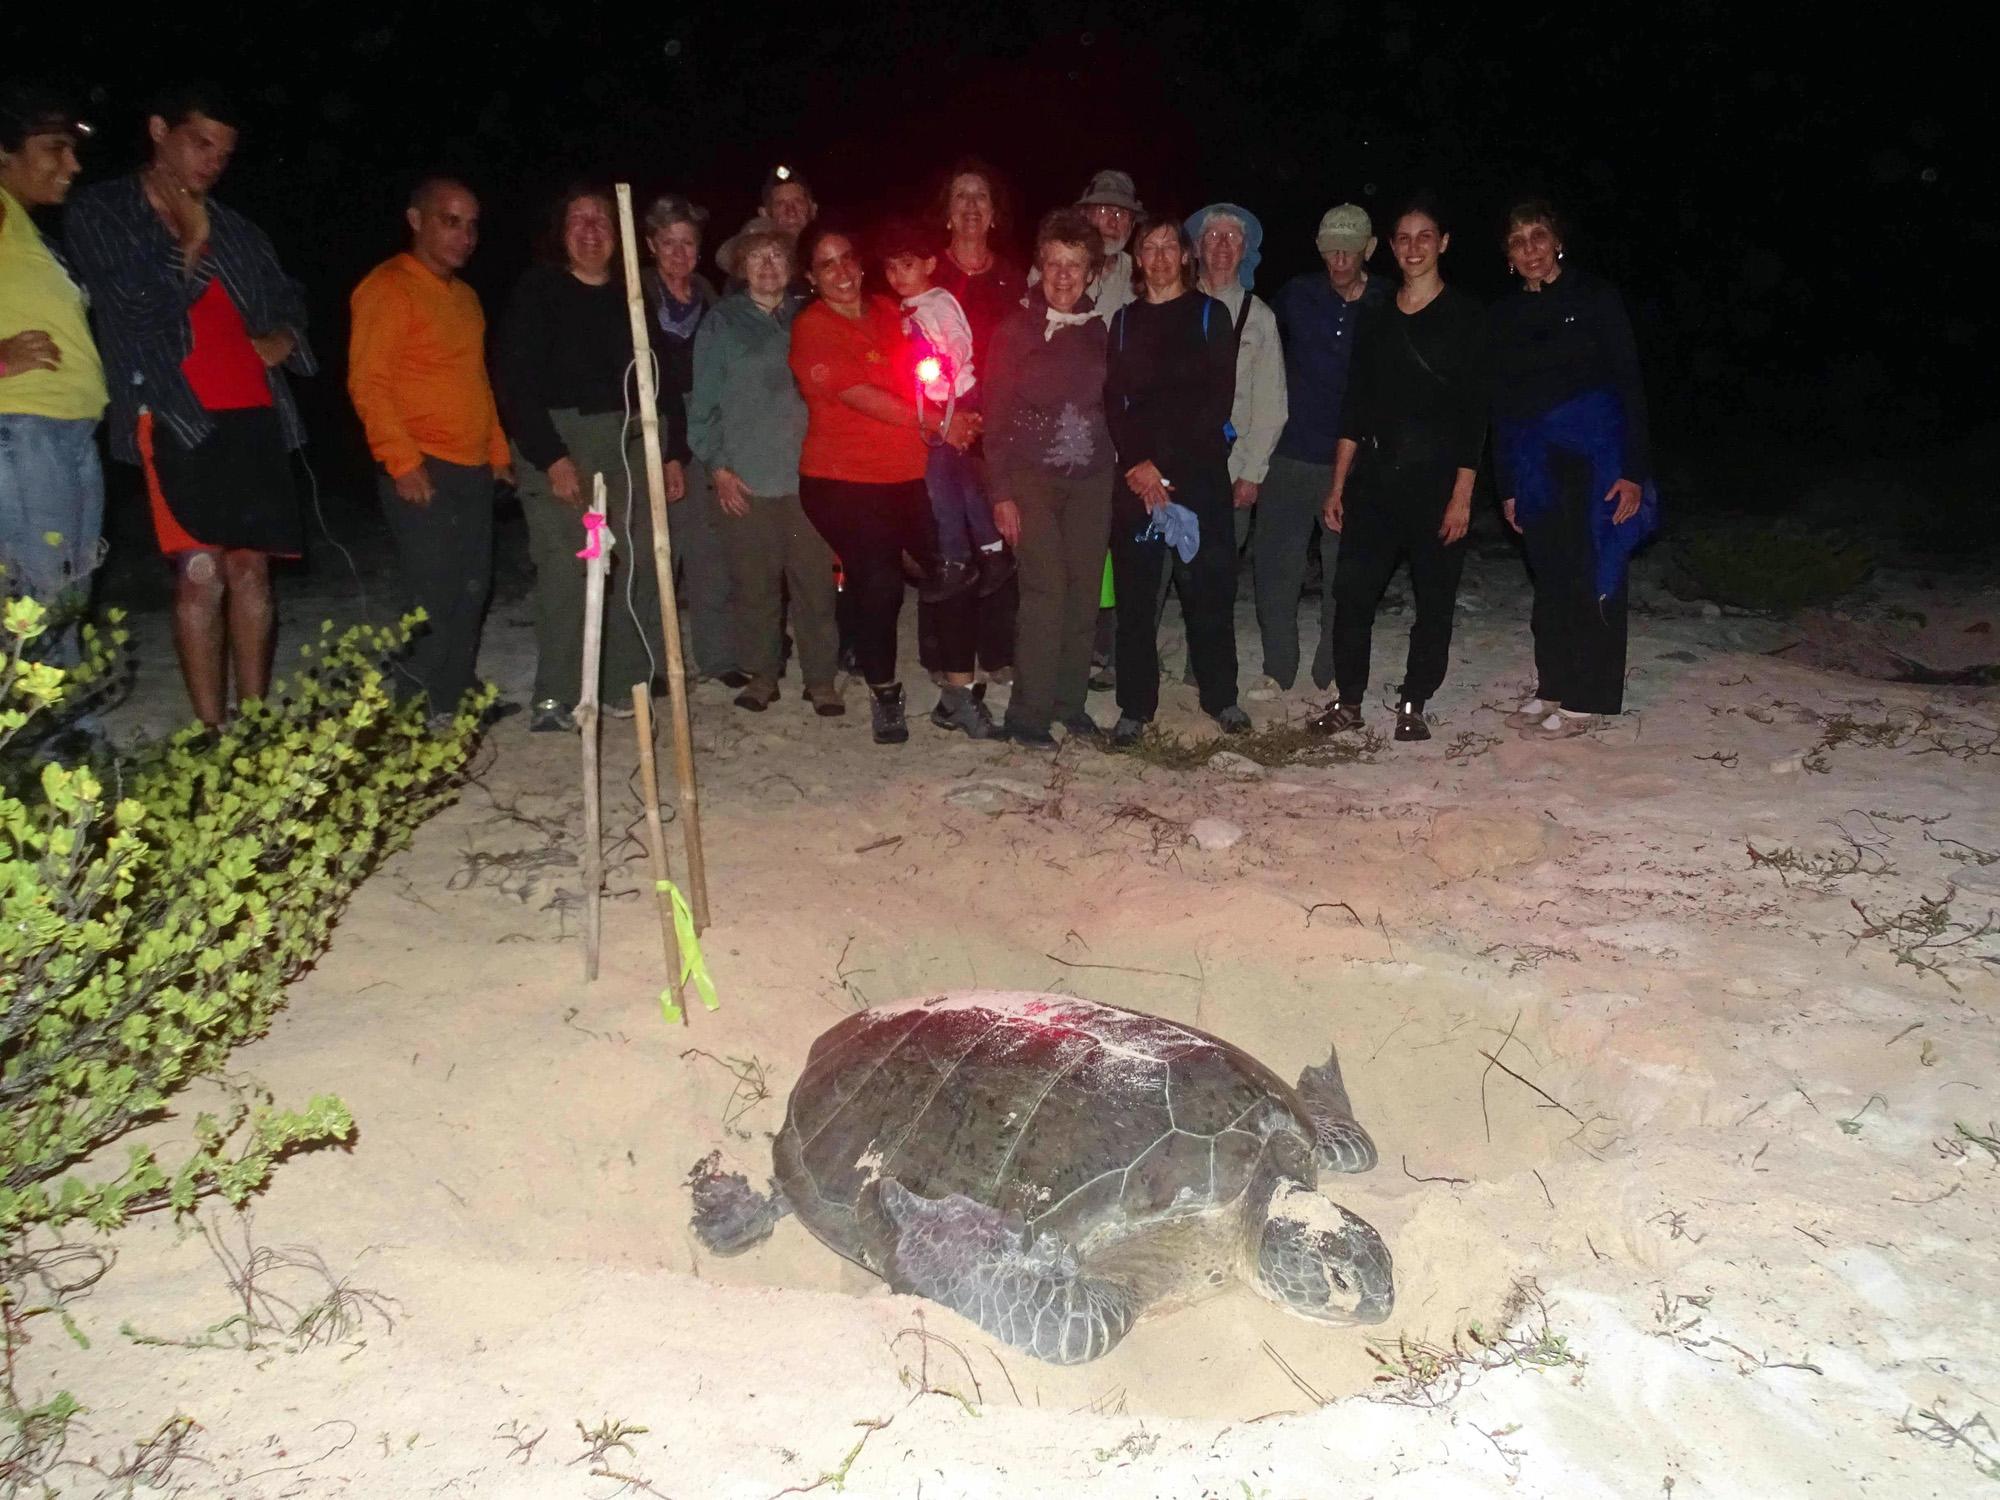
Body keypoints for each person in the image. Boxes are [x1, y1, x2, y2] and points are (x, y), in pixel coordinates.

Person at [67, 82, 316, 729]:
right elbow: (134, 310)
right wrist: (190, 245)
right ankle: (211, 730)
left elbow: (288, 293)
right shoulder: (103, 212)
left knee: (251, 568)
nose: (212, 161)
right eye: (200, 142)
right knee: (201, 569)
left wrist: (284, 335)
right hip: (176, 411)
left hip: (254, 410)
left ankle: (254, 723)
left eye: (224, 152)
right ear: (158, 130)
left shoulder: (236, 228)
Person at [787, 222, 986, 744]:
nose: (842, 270)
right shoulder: (813, 327)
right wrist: (939, 422)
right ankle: (885, 692)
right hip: (843, 481)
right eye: (826, 263)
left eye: (847, 256)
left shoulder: (890, 311)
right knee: (878, 581)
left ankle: (959, 694)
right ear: (810, 275)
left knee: (954, 567)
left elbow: (934, 366)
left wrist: (961, 412)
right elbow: (857, 393)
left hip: (913, 475)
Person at [1311, 194, 1486, 744]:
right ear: (1390, 247)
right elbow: (1354, 405)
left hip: (1436, 481)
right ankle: (1350, 700)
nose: (1414, 247)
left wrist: (1462, 497)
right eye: (1404, 238)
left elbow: (1474, 415)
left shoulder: (1466, 316)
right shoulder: (1376, 313)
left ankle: (1414, 701)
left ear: (1444, 243)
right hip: (1376, 478)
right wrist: (1338, 482)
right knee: (1353, 593)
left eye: (1425, 236)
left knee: (1433, 600)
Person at [494, 185, 665, 732]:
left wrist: (668, 452)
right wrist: (551, 457)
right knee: (569, 569)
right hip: (559, 440)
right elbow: (515, 382)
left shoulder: (632, 294)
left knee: (628, 564)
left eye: (602, 221)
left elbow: (657, 376)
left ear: (618, 237)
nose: (591, 230)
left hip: (625, 440)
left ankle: (622, 684)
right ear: (560, 232)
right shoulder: (538, 289)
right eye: (579, 220)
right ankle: (556, 695)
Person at [1488, 199, 1657, 739]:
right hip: (1536, 462)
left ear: (1558, 240)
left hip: (1597, 457)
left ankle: (1592, 694)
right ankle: (1554, 684)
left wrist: (1634, 469)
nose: (1530, 250)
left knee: (1593, 571)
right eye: (1518, 242)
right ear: (1508, 256)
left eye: (1539, 236)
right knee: (1551, 578)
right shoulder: (1507, 315)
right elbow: (1504, 404)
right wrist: (1507, 486)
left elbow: (1630, 384)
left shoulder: (1596, 297)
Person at [346, 177, 511, 725]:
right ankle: (412, 710)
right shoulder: (388, 287)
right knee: (431, 592)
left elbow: (475, 380)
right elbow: (368, 382)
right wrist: (402, 461)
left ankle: (454, 695)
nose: (465, 236)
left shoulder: (465, 298)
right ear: (416, 220)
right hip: (423, 464)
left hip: (471, 467)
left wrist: (498, 453)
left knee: (472, 587)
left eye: (471, 224)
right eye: (450, 220)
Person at [687, 216, 841, 716]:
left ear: (792, 264)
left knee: (815, 585)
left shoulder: (814, 315)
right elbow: (703, 403)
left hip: (810, 479)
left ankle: (821, 679)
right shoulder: (722, 322)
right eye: (757, 256)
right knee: (754, 588)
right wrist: (719, 468)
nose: (768, 264)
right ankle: (762, 674)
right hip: (747, 479)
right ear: (741, 266)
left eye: (776, 254)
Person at [1104, 214, 1247, 745]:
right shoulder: (1122, 322)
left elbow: (1216, 401)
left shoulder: (1212, 316)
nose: (1161, 256)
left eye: (1170, 246)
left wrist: (1161, 466)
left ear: (1186, 256)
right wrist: (1137, 465)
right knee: (1138, 600)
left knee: (1208, 592)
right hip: (1137, 483)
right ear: (1138, 260)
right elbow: (1114, 401)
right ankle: (1135, 708)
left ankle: (1221, 698)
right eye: (1150, 248)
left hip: (1197, 476)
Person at [984, 209, 1113, 747]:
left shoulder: (1102, 330)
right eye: (1055, 264)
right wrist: (1000, 494)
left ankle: (1069, 703)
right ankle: (1027, 715)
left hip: (1092, 481)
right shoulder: (1015, 329)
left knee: (1084, 594)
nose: (1064, 276)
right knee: (1046, 590)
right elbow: (993, 417)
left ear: (1092, 272)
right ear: (1041, 266)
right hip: (1031, 477)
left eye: (1075, 265)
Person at [1253, 203, 1388, 696]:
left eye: (1350, 248)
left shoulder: (1389, 303)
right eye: (1331, 247)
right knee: (1274, 568)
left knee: (1343, 574)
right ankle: (1277, 667)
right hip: (1288, 452)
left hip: (1353, 464)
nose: (1339, 258)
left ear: (1368, 249)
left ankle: (1331, 669)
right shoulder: (1297, 295)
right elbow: (1252, 342)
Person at [0, 82, 106, 670]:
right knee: (34, 604)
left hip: (65, 433)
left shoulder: (27, 231)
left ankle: (60, 740)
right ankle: (47, 747)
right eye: (55, 148)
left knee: (63, 599)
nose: (73, 164)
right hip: (20, 431)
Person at [876, 216, 1011, 601]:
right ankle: (990, 551)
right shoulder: (902, 310)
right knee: (964, 483)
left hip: (959, 396)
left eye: (907, 265)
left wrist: (946, 359)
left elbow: (959, 337)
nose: (898, 275)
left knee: (940, 481)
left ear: (929, 265)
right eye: (890, 267)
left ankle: (956, 558)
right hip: (930, 402)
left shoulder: (938, 301)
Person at [924, 160, 1023, 687]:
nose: (969, 206)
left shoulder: (1012, 277)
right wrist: (944, 419)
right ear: (946, 213)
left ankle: (997, 651)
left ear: (993, 213)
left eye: (980, 197)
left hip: (996, 423)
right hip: (938, 423)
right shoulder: (925, 273)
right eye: (960, 196)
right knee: (947, 540)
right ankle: (944, 656)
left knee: (996, 536)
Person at [641, 193, 741, 685]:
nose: (678, 253)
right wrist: (665, 448)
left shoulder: (707, 297)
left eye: (687, 244)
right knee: (662, 547)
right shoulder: (634, 296)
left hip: (704, 423)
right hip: (652, 425)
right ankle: (654, 663)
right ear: (651, 245)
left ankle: (718, 656)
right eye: (668, 243)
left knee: (707, 546)